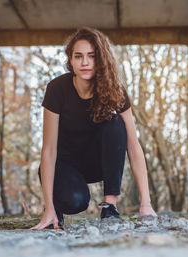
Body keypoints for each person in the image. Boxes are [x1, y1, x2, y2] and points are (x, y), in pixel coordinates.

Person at [30, 27, 157, 230]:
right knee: (76, 201)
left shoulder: (115, 91)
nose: (85, 62)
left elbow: (133, 147)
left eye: (92, 56)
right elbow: (49, 150)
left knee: (116, 124)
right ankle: (56, 211)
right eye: (78, 56)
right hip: (65, 165)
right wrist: (48, 207)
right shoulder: (57, 89)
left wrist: (146, 204)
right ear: (70, 60)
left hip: (97, 163)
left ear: (101, 59)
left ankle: (110, 207)